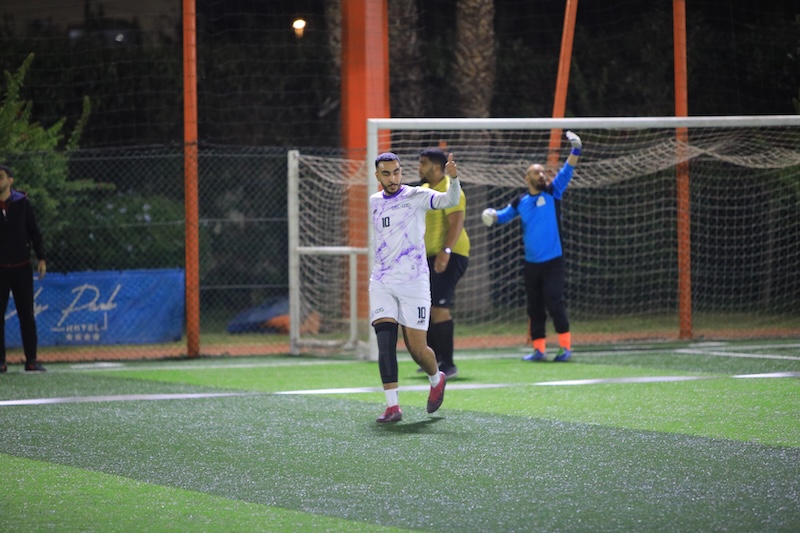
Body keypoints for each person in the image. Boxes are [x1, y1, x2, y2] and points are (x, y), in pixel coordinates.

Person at [370, 151, 462, 423]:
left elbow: (450, 200)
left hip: (414, 282)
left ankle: (436, 378)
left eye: (396, 172)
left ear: (401, 171)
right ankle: (392, 406)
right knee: (385, 341)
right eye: (386, 174)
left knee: (417, 350)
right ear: (378, 176)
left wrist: (454, 179)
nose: (392, 178)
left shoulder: (416, 195)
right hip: (382, 282)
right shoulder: (374, 202)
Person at [480, 131, 582, 363]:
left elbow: (567, 170)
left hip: (553, 262)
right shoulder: (520, 202)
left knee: (554, 302)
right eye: (536, 172)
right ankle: (539, 350)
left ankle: (565, 348)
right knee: (535, 308)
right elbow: (503, 216)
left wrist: (576, 149)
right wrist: (492, 215)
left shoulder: (553, 192)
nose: (541, 175)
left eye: (543, 172)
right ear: (527, 178)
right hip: (531, 264)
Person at [418, 147, 469, 378]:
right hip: (430, 255)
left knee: (439, 308)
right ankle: (434, 358)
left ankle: (448, 364)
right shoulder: (425, 190)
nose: (419, 167)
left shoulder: (450, 188)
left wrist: (446, 251)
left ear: (437, 167)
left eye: (423, 163)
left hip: (451, 253)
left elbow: (457, 222)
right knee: (426, 307)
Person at [0, 164, 47, 373]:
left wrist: (41, 257)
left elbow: (34, 231)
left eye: (1, 177)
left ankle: (31, 360)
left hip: (22, 267)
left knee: (26, 314)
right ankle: (1, 362)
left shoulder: (22, 203)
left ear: (10, 180)